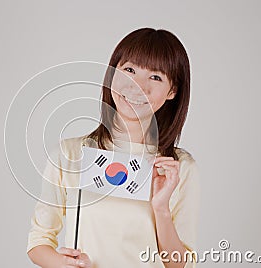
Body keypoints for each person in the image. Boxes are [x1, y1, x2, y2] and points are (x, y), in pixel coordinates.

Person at [26, 28, 200, 268]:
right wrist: (63, 264)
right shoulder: (71, 154)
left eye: (156, 77)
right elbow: (38, 242)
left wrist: (161, 209)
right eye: (129, 70)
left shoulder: (179, 168)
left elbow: (181, 265)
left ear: (172, 91)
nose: (137, 86)